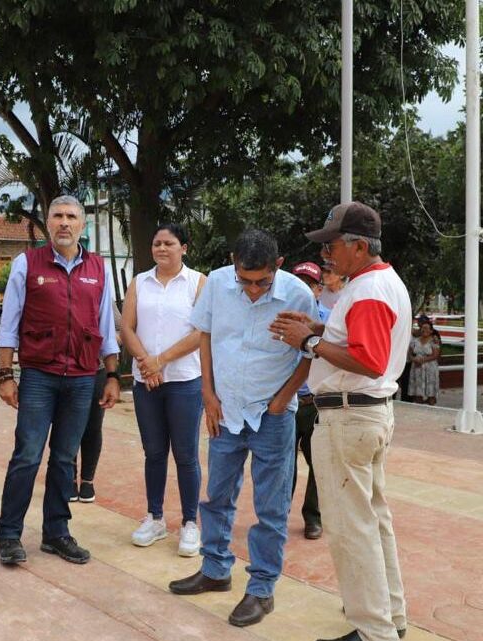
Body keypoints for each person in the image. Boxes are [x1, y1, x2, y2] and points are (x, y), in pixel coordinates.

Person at [271, 201, 411, 641]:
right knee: (373, 521)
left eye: (332, 244)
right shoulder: (379, 282)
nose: (327, 252)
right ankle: (391, 620)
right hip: (366, 415)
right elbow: (360, 346)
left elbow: (369, 360)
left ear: (359, 245)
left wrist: (310, 341)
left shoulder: (368, 290)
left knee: (353, 531)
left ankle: (373, 631)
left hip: (351, 415)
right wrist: (319, 330)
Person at [168, 229, 315, 628]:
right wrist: (208, 394)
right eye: (245, 280)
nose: (252, 290)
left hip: (272, 415)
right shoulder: (217, 283)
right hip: (225, 410)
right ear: (233, 263)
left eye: (261, 282)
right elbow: (207, 337)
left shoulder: (299, 295)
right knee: (216, 495)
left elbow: (309, 353)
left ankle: (262, 589)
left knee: (271, 507)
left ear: (278, 267)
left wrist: (284, 399)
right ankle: (215, 569)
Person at [0, 195, 120, 567]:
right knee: (28, 456)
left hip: (82, 378)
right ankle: (9, 534)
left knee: (65, 459)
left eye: (71, 217)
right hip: (39, 377)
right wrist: (5, 375)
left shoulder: (98, 268)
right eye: (57, 216)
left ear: (83, 225)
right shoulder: (27, 263)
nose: (64, 223)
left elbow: (106, 327)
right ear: (47, 223)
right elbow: (9, 323)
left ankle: (57, 533)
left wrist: (112, 375)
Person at [121, 223, 205, 556]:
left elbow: (202, 331)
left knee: (185, 455)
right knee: (154, 452)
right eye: (157, 243)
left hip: (185, 380)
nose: (161, 248)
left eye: (169, 243)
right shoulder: (139, 282)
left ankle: (189, 523)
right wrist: (146, 362)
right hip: (146, 383)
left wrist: (162, 360)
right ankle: (154, 517)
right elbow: (127, 326)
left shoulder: (198, 282)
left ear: (184, 247)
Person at [290, 261, 332, 540]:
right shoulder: (280, 319)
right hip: (286, 403)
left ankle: (313, 517)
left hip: (316, 404)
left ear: (319, 289)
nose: (304, 289)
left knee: (319, 464)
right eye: (299, 283)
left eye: (310, 284)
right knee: (282, 465)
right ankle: (277, 514)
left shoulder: (330, 320)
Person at [71, 303, 122, 504]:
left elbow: (121, 328)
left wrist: (105, 341)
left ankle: (87, 481)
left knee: (93, 427)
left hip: (97, 368)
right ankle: (69, 478)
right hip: (68, 370)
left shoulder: (102, 293)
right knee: (68, 426)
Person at [408, 317, 440, 405]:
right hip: (417, 368)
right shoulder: (414, 341)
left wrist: (423, 360)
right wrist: (414, 359)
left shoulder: (434, 341)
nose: (424, 330)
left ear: (431, 331)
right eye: (423, 328)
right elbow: (410, 354)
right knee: (418, 391)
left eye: (426, 328)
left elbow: (435, 355)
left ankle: (431, 407)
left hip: (430, 369)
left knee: (430, 391)